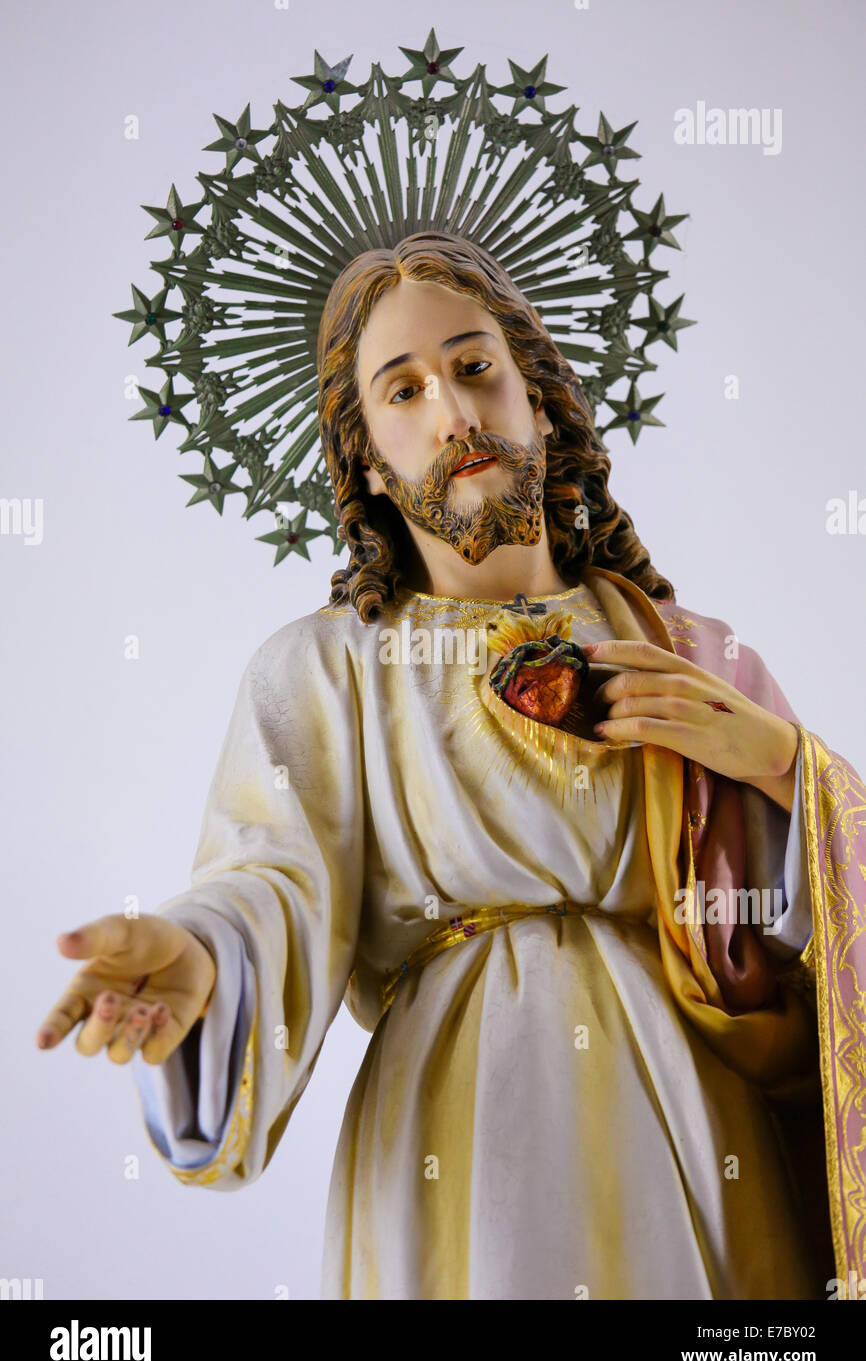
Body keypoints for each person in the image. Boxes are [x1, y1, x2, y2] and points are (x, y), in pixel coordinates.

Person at [36, 232, 861, 1299]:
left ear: (539, 400)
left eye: (476, 370)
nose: (454, 414)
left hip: (696, 1128)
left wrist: (787, 771)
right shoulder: (329, 671)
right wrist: (207, 961)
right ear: (369, 459)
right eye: (405, 391)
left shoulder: (695, 654)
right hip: (464, 1128)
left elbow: (810, 958)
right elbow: (271, 881)